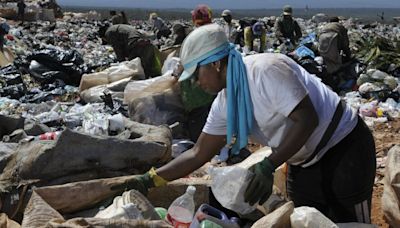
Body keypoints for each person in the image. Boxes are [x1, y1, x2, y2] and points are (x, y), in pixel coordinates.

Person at [115, 24, 376, 224]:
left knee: (348, 223)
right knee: (304, 221)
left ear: (216, 64)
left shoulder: (265, 70)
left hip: (344, 149)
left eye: (196, 74)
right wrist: (150, 180)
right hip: (303, 161)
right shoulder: (225, 102)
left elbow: (307, 119)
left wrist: (268, 164)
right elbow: (199, 153)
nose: (195, 83)